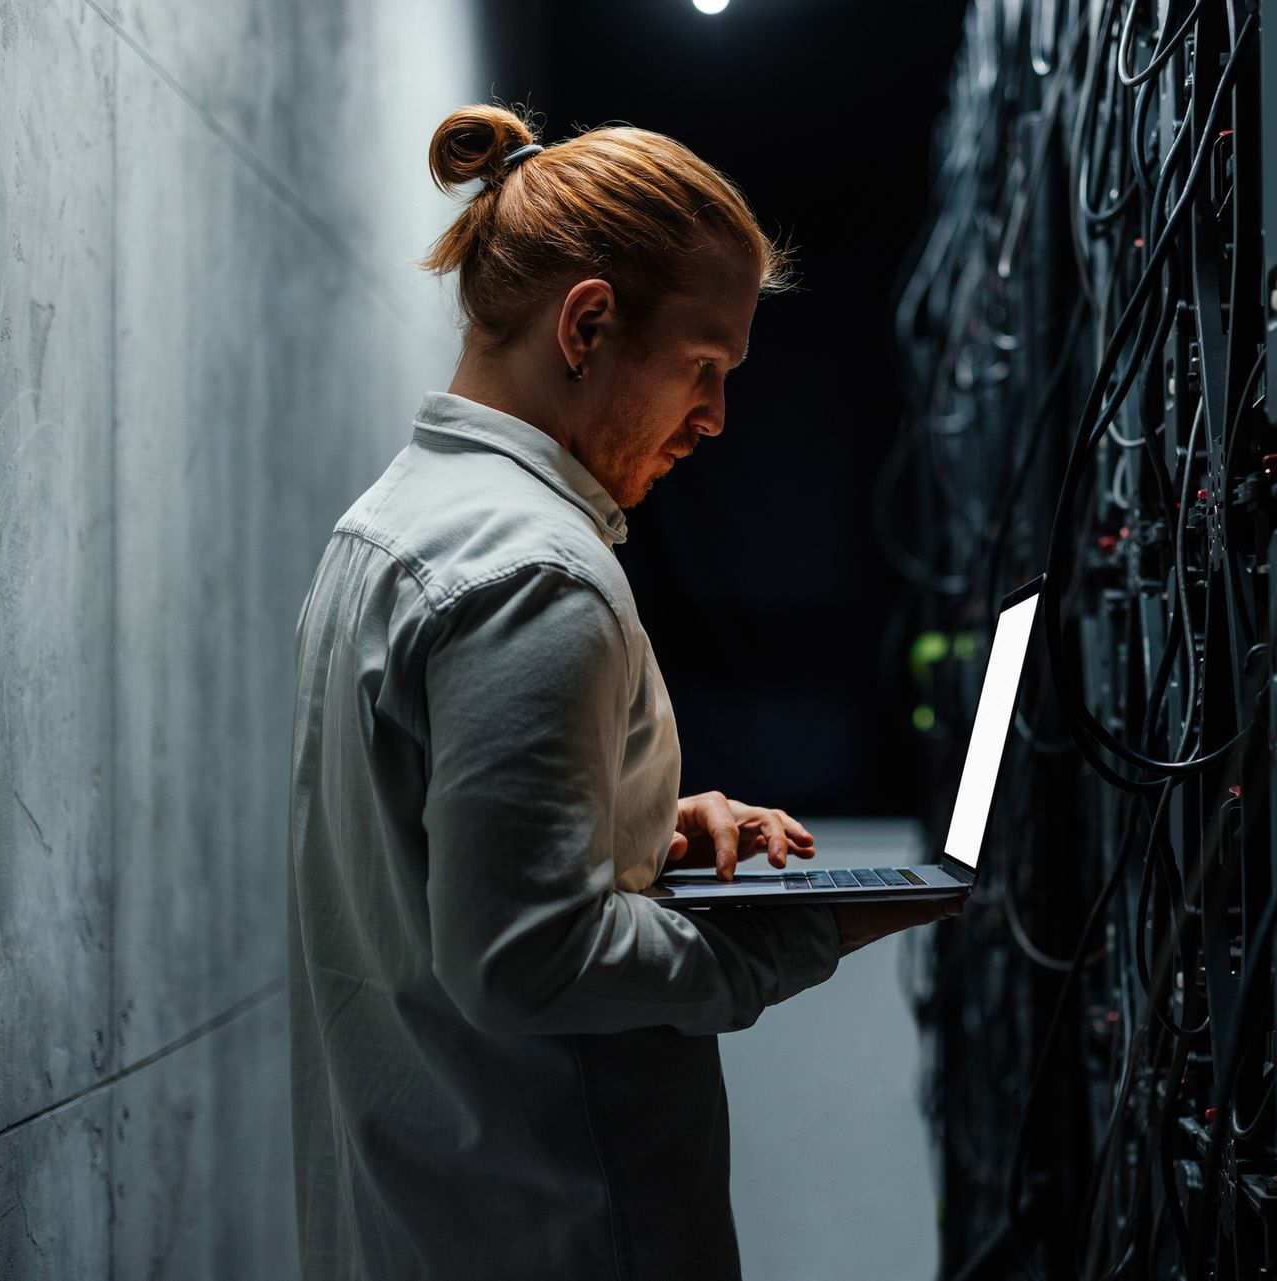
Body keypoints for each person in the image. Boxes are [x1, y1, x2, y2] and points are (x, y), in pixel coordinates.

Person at [286, 103, 961, 1281]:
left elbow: (454, 869)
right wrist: (800, 937)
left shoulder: (387, 528)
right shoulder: (538, 579)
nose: (713, 417)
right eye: (705, 366)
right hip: (563, 1234)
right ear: (588, 323)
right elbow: (527, 960)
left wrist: (641, 833)